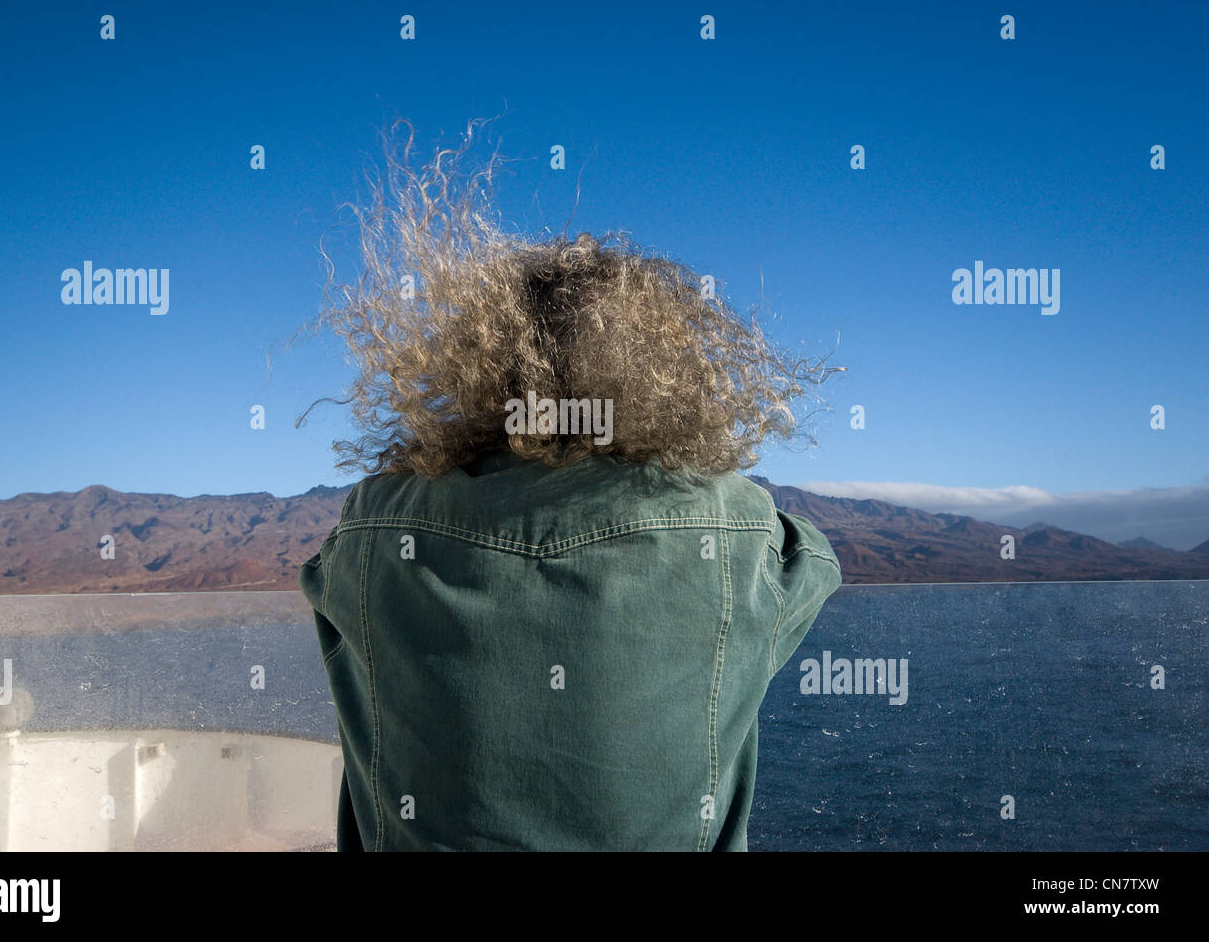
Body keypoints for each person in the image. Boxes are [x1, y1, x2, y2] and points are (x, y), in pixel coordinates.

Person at [298, 121, 842, 851]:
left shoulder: (373, 528)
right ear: (669, 371)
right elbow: (817, 562)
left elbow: (325, 581)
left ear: (480, 365)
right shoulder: (736, 532)